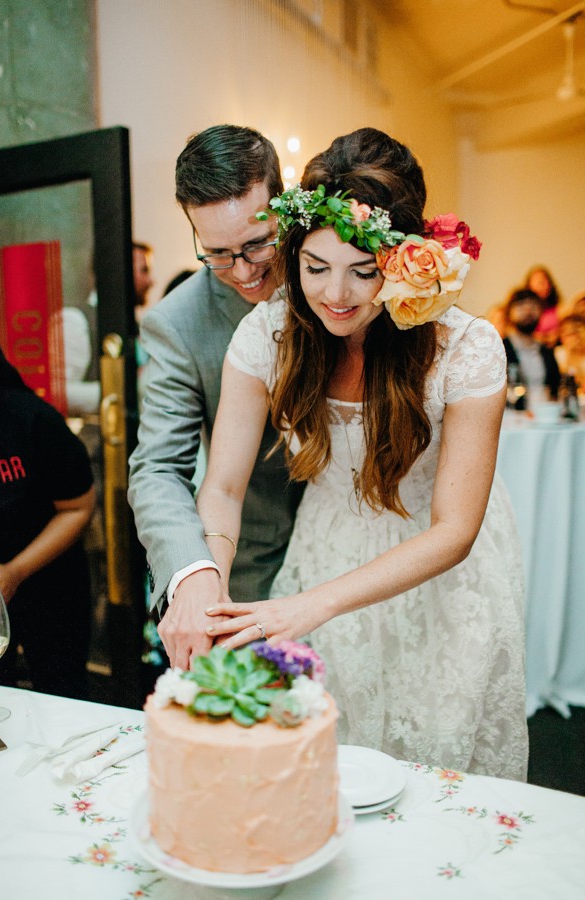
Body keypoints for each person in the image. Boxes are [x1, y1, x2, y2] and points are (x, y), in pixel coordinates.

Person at [195, 127, 528, 780]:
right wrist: (209, 589)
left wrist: (313, 605)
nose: (335, 296)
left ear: (404, 260)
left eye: (361, 271)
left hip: (437, 579)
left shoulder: (467, 348)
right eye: (314, 267)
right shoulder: (271, 331)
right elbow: (225, 488)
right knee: (321, 772)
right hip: (323, 553)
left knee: (436, 775)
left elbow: (455, 531)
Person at [128, 124, 303, 670]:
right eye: (219, 255)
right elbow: (157, 467)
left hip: (371, 549)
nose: (245, 271)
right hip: (252, 565)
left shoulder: (339, 268)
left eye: (257, 244)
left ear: (285, 203)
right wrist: (195, 570)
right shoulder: (176, 324)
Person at [0, 328, 95, 699]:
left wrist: (14, 572)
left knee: (60, 695)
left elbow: (78, 508)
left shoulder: (30, 420)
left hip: (51, 583)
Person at [502, 288, 561, 406]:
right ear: (509, 312)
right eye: (521, 305)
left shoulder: (546, 351)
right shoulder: (501, 348)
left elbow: (556, 386)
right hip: (510, 416)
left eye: (534, 305)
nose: (528, 310)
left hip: (544, 414)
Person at [524, 265, 562, 348]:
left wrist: (557, 334)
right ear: (529, 286)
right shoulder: (523, 313)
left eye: (547, 282)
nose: (545, 286)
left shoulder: (559, 309)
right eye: (540, 282)